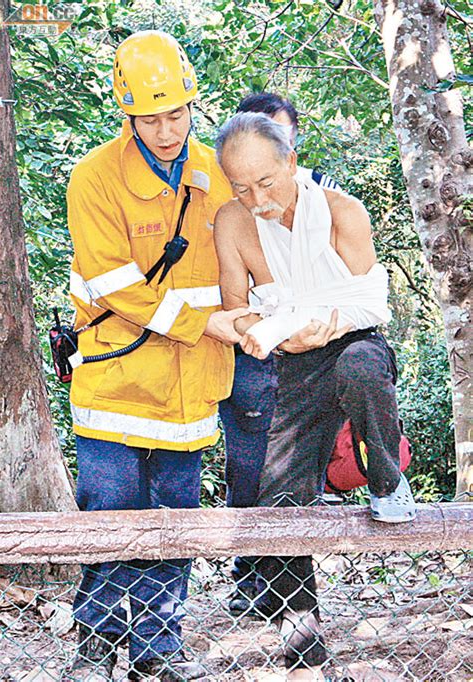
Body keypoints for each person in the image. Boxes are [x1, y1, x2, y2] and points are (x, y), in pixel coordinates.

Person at [66, 31, 247, 681]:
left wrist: (263, 312)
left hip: (191, 384)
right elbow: (114, 284)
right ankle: (95, 637)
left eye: (176, 114)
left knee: (176, 520)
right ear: (127, 114)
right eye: (150, 117)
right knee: (110, 513)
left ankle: (157, 647)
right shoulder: (94, 177)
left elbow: (243, 261)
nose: (166, 130)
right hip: (117, 377)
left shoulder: (215, 172)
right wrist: (209, 323)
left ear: (192, 106)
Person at [214, 112, 416, 672]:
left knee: (359, 368)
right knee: (276, 503)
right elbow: (236, 310)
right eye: (240, 187)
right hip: (294, 367)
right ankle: (303, 638)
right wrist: (271, 329)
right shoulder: (232, 223)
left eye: (266, 183)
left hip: (355, 344)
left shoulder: (342, 212)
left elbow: (373, 303)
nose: (257, 199)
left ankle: (387, 480)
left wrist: (313, 317)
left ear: (292, 164)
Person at [219, 93, 341, 616]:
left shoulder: (326, 202)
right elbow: (233, 300)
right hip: (254, 361)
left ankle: (293, 601)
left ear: (290, 150)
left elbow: (351, 291)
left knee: (299, 481)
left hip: (316, 363)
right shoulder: (233, 212)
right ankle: (251, 581)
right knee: (248, 473)